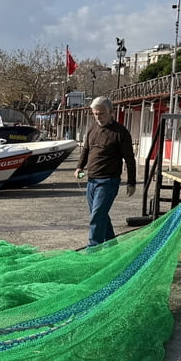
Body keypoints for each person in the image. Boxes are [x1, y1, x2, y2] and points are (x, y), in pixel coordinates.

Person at [73, 96, 137, 247]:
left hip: (108, 182)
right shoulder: (93, 129)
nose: (98, 117)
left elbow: (129, 159)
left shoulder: (120, 133)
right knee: (100, 216)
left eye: (101, 114)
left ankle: (92, 251)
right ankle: (112, 247)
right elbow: (86, 150)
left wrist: (131, 182)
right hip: (91, 181)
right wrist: (79, 167)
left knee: (97, 216)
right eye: (95, 114)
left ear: (111, 112)